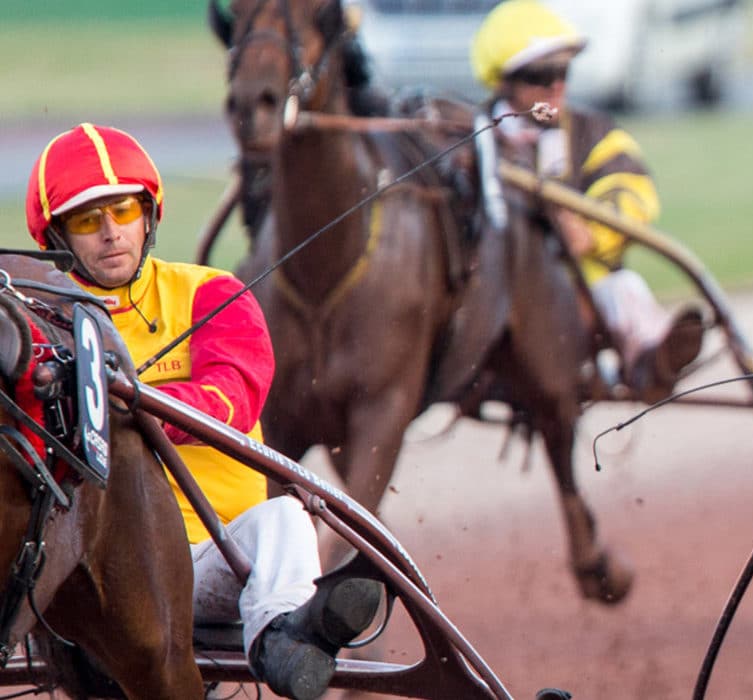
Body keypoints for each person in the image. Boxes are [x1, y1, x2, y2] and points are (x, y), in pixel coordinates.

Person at [25, 124, 381, 700]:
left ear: (148, 216)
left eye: (121, 210)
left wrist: (123, 407)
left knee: (286, 517)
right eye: (88, 220)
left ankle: (281, 639)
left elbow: (231, 400)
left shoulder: (213, 294)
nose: (112, 233)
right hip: (92, 579)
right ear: (58, 238)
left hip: (209, 564)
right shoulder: (39, 320)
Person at [469, 0, 704, 402]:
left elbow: (632, 188)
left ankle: (651, 360)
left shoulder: (592, 131)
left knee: (622, 287)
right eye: (541, 76)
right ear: (502, 82)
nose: (556, 86)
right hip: (492, 287)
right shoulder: (470, 140)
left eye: (563, 72)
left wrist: (594, 232)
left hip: (576, 287)